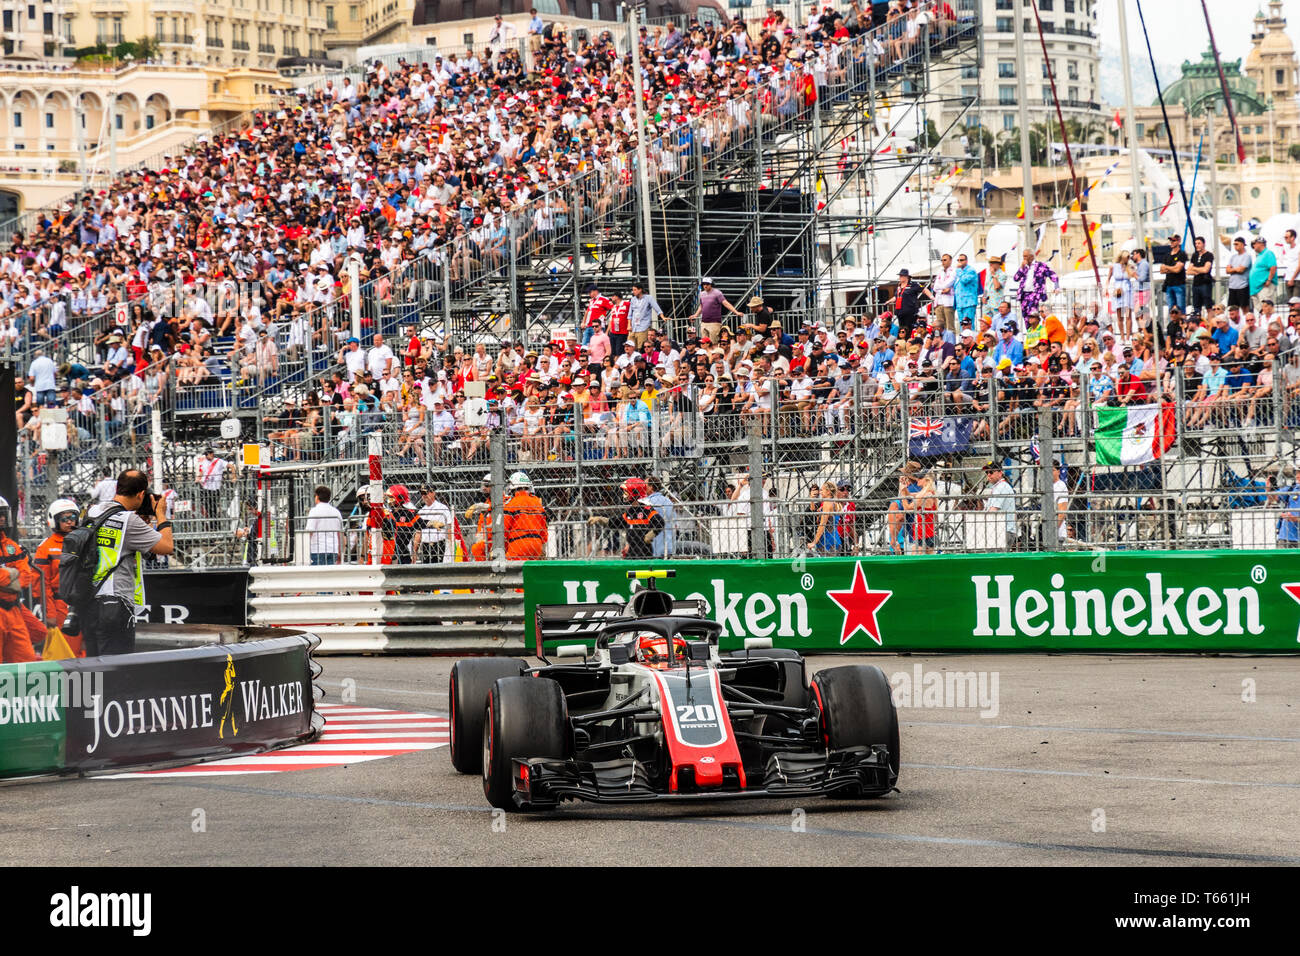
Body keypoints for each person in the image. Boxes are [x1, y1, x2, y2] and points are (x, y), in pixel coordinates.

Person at [82, 470, 175, 656]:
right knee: (119, 669)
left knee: (95, 669)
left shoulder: (93, 511)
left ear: (118, 488)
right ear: (141, 494)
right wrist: (161, 514)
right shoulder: (129, 521)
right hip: (116, 604)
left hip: (89, 601)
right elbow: (166, 546)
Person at [33, 498, 83, 658]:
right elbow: (42, 584)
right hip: (61, 605)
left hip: (85, 603)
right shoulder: (45, 547)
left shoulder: (85, 541)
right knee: (68, 652)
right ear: (54, 521)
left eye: (72, 517)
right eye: (64, 519)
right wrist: (50, 613)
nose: (69, 522)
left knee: (89, 650)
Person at [0, 495, 44, 663]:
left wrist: (8, 580)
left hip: (14, 609)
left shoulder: (11, 545)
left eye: (3, 514)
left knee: (26, 660)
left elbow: (26, 576)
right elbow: (17, 575)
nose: (2, 518)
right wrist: (11, 574)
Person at [587, 478, 663, 558]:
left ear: (635, 492)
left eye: (626, 493)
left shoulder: (646, 509)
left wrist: (650, 535)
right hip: (632, 551)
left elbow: (660, 522)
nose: (624, 495)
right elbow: (617, 522)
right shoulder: (630, 511)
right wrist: (600, 519)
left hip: (644, 552)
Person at [503, 471, 547, 560]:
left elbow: (504, 530)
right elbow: (544, 529)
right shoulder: (537, 503)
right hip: (536, 545)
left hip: (518, 543)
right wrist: (542, 544)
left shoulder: (511, 504)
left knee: (510, 571)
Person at [687, 277, 743, 342]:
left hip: (714, 323)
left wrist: (736, 312)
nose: (705, 285)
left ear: (711, 284)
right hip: (704, 322)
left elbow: (725, 303)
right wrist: (695, 315)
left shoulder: (717, 293)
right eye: (704, 284)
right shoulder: (702, 294)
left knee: (714, 343)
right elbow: (702, 306)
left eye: (707, 284)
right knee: (704, 343)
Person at [305, 485, 343, 565]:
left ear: (317, 497)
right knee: (329, 576)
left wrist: (305, 549)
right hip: (333, 549)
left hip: (317, 549)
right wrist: (340, 551)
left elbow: (309, 531)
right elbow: (339, 534)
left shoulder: (314, 511)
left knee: (316, 575)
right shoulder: (336, 512)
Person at [983, 461, 1017, 551]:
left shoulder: (1001, 487)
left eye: (991, 472)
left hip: (1002, 531)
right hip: (1004, 530)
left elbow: (993, 510)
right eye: (987, 472)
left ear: (1000, 473)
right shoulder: (1000, 486)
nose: (988, 475)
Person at [414, 486, 453, 563]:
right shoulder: (421, 511)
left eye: (425, 493)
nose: (424, 496)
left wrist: (451, 547)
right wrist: (414, 551)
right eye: (422, 493)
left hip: (440, 545)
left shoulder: (442, 508)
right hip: (425, 546)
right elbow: (418, 532)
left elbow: (449, 528)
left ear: (433, 493)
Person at [385, 484, 421, 565]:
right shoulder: (389, 514)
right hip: (389, 551)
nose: (388, 501)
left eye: (391, 498)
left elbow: (418, 529)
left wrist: (414, 552)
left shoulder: (409, 513)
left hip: (404, 550)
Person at [465, 472, 495, 561]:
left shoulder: (504, 499)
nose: (484, 488)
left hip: (498, 538)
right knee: (475, 548)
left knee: (476, 548)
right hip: (486, 539)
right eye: (484, 485)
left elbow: (496, 507)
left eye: (487, 485)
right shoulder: (487, 502)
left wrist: (477, 506)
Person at [1158, 234, 1188, 314]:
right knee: (1170, 309)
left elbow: (1178, 269)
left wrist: (1167, 267)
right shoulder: (1167, 255)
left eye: (1174, 240)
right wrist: (1173, 268)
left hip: (1179, 284)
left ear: (1178, 241)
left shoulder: (1182, 254)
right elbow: (1161, 270)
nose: (1171, 242)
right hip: (1169, 285)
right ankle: (1172, 325)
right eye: (1171, 240)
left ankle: (1182, 324)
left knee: (1180, 308)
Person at [1249, 236, 1277, 315]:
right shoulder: (1259, 255)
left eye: (1254, 244)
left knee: (1267, 308)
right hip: (1256, 288)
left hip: (1264, 286)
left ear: (1260, 243)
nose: (1253, 246)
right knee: (1261, 310)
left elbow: (1273, 267)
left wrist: (1269, 280)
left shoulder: (1268, 253)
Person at [1277, 463, 1299, 549]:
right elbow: (1274, 497)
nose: (1297, 476)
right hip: (1286, 536)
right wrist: (1269, 488)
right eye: (1297, 473)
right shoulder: (1292, 489)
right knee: (1281, 560)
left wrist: (1296, 519)